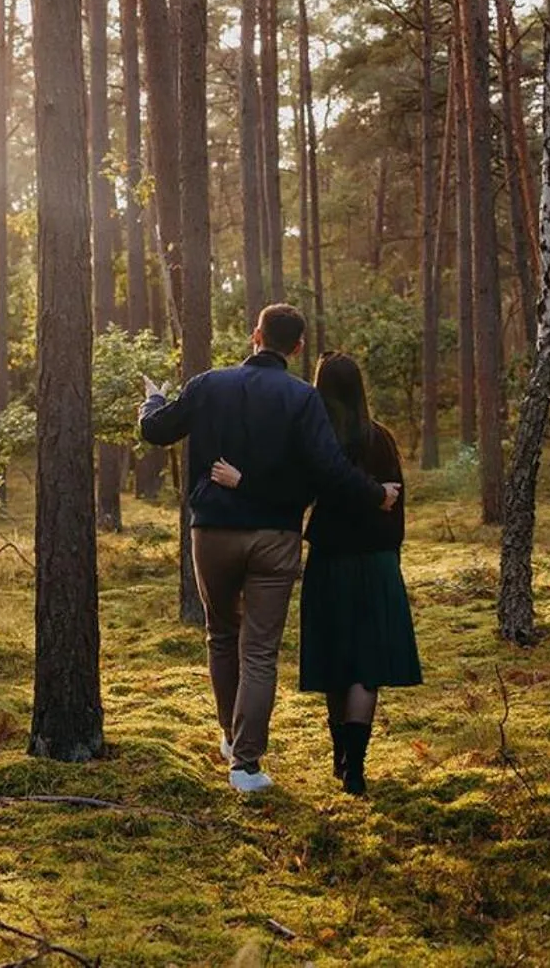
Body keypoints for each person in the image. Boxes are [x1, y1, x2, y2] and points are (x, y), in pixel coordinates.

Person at [139, 304, 400, 794]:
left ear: (255, 335)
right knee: (259, 650)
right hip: (275, 538)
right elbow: (329, 470)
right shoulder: (303, 398)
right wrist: (376, 494)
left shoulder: (206, 384)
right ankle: (246, 765)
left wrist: (152, 401)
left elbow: (155, 430)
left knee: (220, 636)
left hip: (212, 530)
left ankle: (228, 736)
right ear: (297, 347)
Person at [210, 351, 420, 796]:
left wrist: (242, 482)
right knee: (366, 666)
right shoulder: (379, 438)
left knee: (336, 659)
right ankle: (356, 768)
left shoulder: (313, 439)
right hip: (377, 562)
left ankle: (340, 757)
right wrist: (389, 555)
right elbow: (396, 505)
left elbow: (289, 493)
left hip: (330, 560)